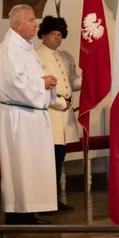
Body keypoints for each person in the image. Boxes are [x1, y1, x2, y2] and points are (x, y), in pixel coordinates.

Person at [0, 4, 58, 224]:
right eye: (31, 20)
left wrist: (47, 82)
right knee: (21, 165)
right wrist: (43, 82)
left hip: (31, 114)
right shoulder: (9, 49)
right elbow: (14, 84)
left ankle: (30, 212)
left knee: (33, 165)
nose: (35, 24)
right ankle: (18, 213)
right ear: (18, 23)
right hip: (19, 116)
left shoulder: (25, 48)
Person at [36, 16, 82, 211]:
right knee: (49, 160)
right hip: (50, 114)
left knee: (59, 157)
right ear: (43, 34)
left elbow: (73, 83)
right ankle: (46, 202)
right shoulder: (36, 55)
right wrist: (61, 102)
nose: (57, 38)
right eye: (53, 34)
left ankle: (54, 201)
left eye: (59, 34)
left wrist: (90, 76)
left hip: (65, 117)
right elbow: (39, 86)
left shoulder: (66, 56)